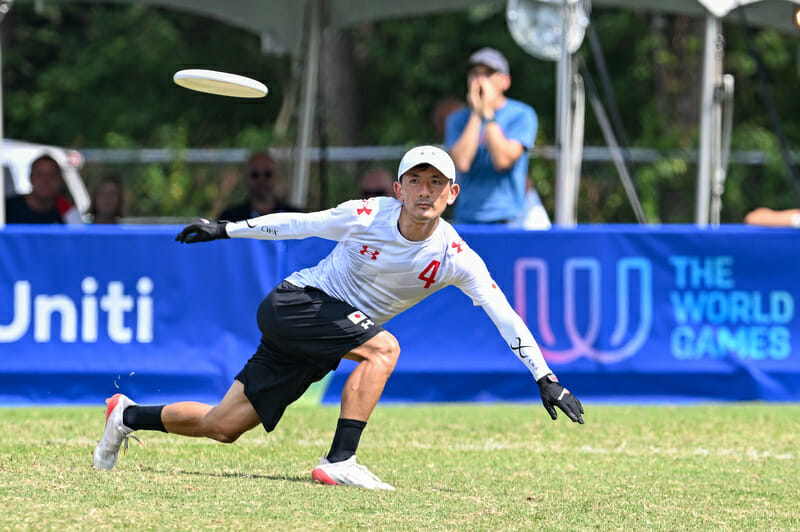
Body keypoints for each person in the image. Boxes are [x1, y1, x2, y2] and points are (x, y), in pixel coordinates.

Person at [93, 145, 584, 491]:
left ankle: (126, 415)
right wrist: (225, 229)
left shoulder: (457, 256)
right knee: (384, 349)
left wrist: (546, 378)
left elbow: (505, 314)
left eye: (436, 182)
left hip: (320, 334)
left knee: (223, 425)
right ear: (398, 188)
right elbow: (299, 225)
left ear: (452, 194)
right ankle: (340, 460)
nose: (425, 190)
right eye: (416, 180)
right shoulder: (367, 215)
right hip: (296, 303)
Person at [445, 47, 544, 225]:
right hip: (466, 218)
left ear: (505, 81)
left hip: (510, 219)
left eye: (488, 74)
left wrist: (488, 114)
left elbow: (503, 161)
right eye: (475, 74)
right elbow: (461, 163)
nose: (480, 80)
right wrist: (477, 114)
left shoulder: (522, 115)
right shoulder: (457, 120)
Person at [218, 150, 300, 221]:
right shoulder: (229, 219)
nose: (261, 180)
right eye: (255, 174)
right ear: (246, 178)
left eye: (267, 174)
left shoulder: (296, 217)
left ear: (277, 177)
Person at [4, 154, 82, 224]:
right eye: (40, 175)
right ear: (30, 178)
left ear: (60, 180)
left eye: (52, 175)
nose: (45, 181)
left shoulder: (68, 212)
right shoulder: (6, 209)